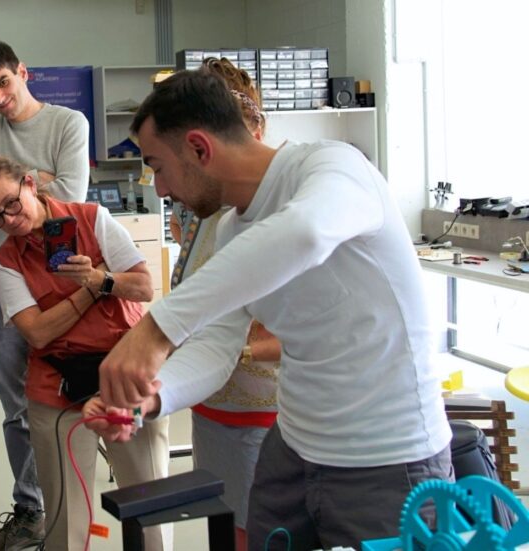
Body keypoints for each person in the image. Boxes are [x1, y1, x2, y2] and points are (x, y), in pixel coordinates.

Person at [89, 69, 453, 550]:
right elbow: (218, 348)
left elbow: (305, 232)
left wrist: (155, 331)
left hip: (388, 460)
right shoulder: (231, 233)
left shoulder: (333, 168)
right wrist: (149, 397)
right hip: (294, 449)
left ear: (199, 149)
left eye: (158, 167)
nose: (159, 189)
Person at [0, 156, 171, 551]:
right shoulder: (5, 260)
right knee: (65, 517)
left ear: (29, 184)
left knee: (149, 506)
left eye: (10, 203)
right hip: (56, 387)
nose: (7, 220)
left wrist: (100, 278)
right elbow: (39, 333)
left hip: (124, 374)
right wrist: (93, 288)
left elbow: (144, 287)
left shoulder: (93, 218)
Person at [0, 39, 90, 551]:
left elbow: (73, 195)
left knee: (69, 393)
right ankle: (31, 511)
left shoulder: (68, 123)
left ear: (23, 73)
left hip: (56, 276)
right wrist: (30, 181)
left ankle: (69, 509)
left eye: (3, 84)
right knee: (16, 407)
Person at [165, 58, 280, 551]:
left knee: (262, 532)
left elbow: (302, 334)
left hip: (267, 415)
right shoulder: (204, 211)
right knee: (224, 527)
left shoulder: (283, 209)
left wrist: (241, 351)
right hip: (212, 408)